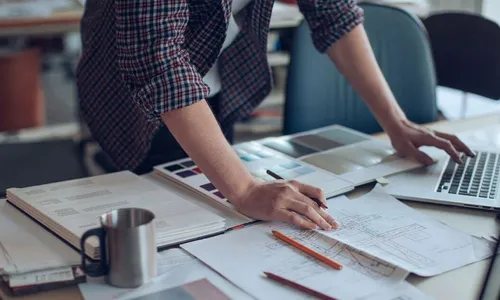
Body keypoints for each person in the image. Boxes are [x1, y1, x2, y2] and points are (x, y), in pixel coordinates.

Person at [76, 0, 474, 232]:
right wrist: (245, 191)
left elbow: (333, 12)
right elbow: (156, 61)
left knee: (215, 213)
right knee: (160, 224)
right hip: (130, 93)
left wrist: (396, 123)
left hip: (212, 79)